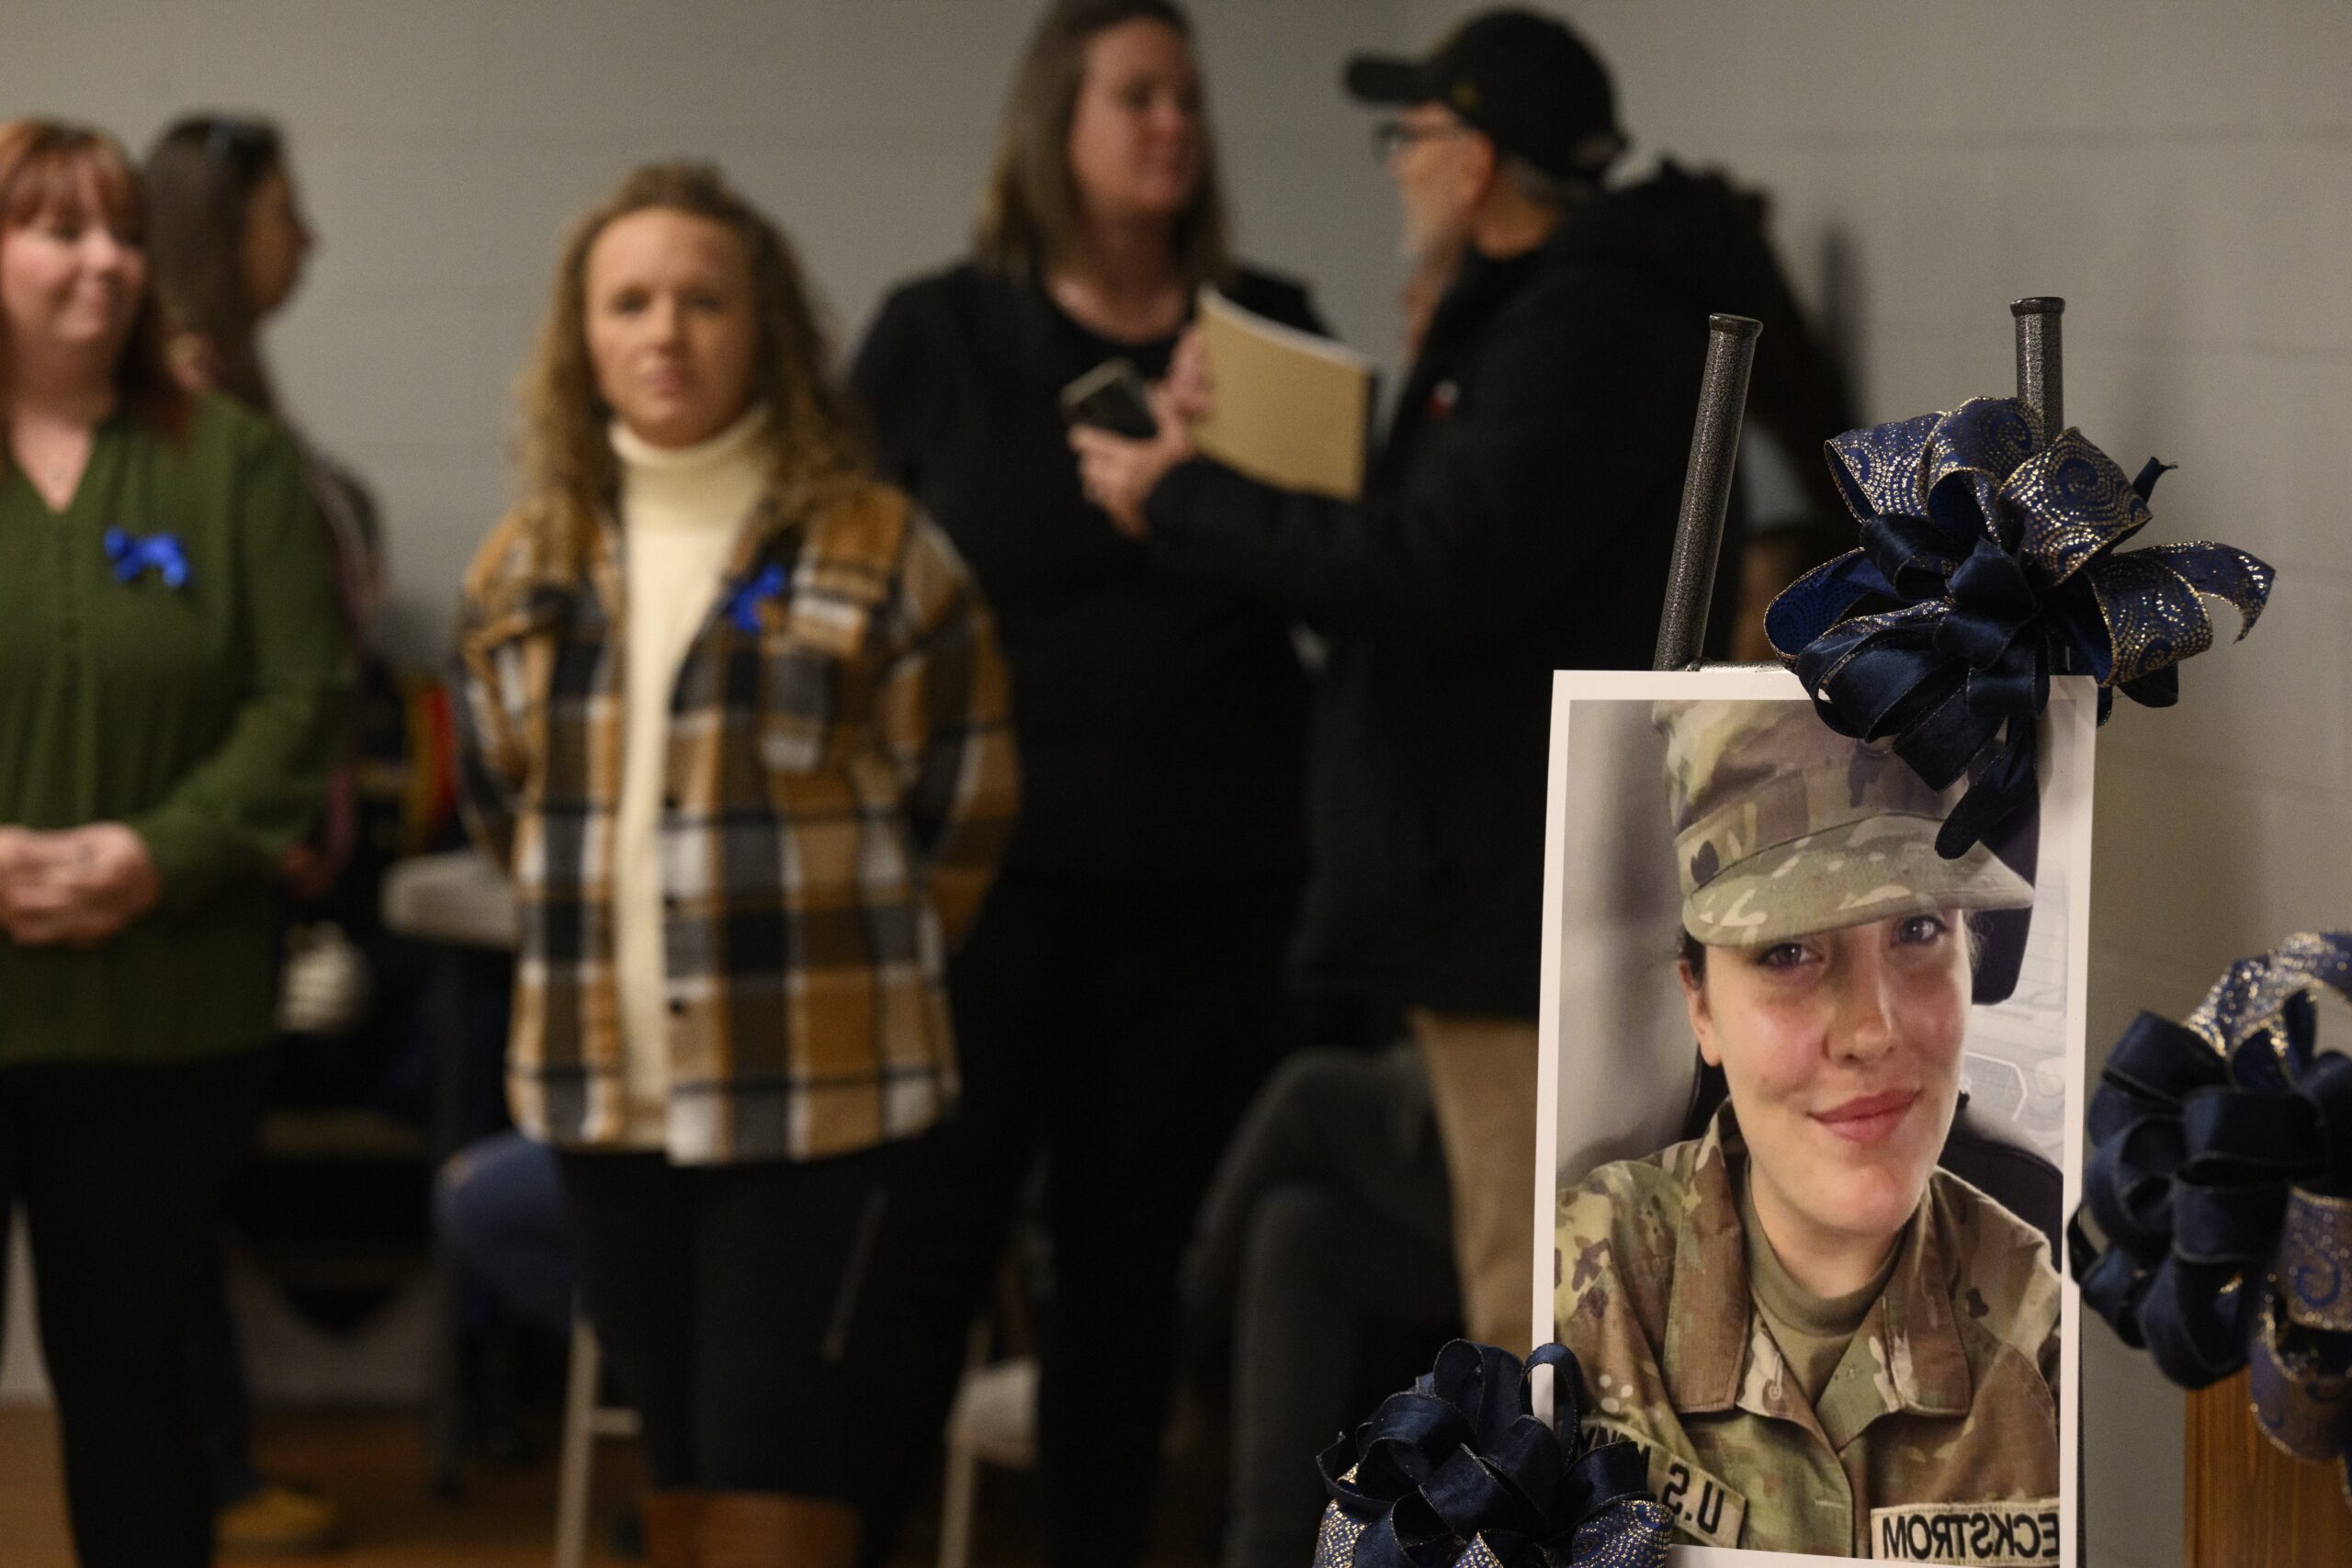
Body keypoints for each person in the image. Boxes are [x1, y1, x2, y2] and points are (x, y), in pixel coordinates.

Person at [1069, 8, 1766, 1357]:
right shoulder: (1532, 315)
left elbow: (1437, 573)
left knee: (1531, 1304)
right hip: (1482, 894)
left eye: (1415, 137)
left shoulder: (1582, 325)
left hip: (1515, 901)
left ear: (1478, 162)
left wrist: (1186, 500)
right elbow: (1427, 567)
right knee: (1474, 1261)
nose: (1396, 165)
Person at [452, 159, 1016, 1568]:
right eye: (629, 301)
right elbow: (495, 803)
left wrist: (856, 953)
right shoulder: (523, 563)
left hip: (812, 1078)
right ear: (581, 339)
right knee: (677, 1429)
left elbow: (970, 797)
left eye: (704, 299)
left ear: (765, 325)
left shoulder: (879, 547)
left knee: (776, 1431)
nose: (666, 332)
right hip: (604, 1079)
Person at [847, 4, 1322, 1560]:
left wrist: (1211, 486)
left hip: (1207, 883)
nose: (1173, 126)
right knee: (927, 1248)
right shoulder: (944, 331)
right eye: (1136, 96)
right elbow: (851, 580)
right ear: (1059, 121)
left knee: (1123, 1280)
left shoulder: (1263, 326)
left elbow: (1344, 581)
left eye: (1187, 98)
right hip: (988, 883)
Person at [0, 118, 353, 1568]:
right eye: (59, 228)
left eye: (126, 231)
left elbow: (300, 700)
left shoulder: (236, 465)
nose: (106, 261)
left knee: (130, 1378)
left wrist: (157, 850)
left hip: (164, 1011)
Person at [1553, 700, 2062, 1557]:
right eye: (1789, 949)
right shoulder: (1584, 1282)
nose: (1873, 1030)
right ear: (1700, 1004)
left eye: (1919, 927)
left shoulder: (2050, 1328)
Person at [143, 110, 375, 1556]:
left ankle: (215, 1463)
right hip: (208, 869)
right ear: (224, 230)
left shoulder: (241, 401)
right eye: (288, 211)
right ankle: (209, 1472)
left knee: (196, 1178)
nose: (310, 239)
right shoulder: (180, 405)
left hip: (273, 859)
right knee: (170, 1190)